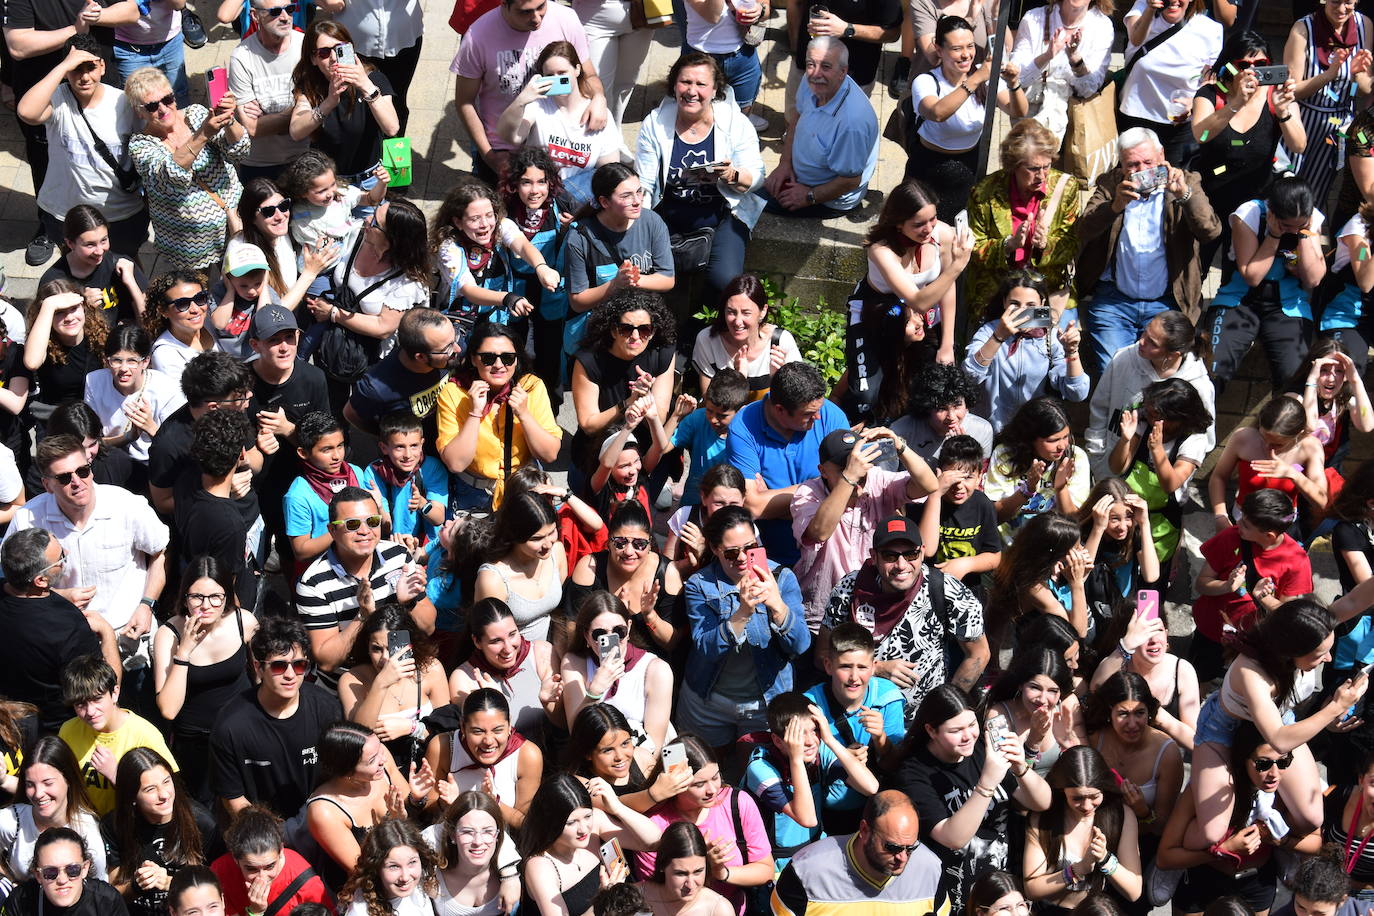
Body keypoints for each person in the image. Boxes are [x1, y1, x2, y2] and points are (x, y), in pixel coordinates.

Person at [1189, 599, 1365, 847]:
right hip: (1226, 731)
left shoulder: (1314, 625)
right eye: (1319, 654)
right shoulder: (1250, 672)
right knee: (1211, 834)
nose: (1327, 659)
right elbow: (1279, 739)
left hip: (1280, 723)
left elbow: (1364, 594)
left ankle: (1262, 820)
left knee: (1309, 819)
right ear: (1291, 650)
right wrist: (1336, 707)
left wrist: (1329, 721)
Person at [3, 434, 169, 663]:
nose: (77, 482)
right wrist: (59, 596)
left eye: (82, 471)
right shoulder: (28, 520)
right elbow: (11, 584)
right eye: (64, 478)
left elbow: (159, 553)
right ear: (47, 485)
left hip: (127, 637)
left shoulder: (127, 506)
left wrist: (147, 604)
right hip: (64, 643)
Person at [1075, 128, 1222, 373]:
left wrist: (1184, 196)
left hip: (1167, 301)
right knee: (1114, 372)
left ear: (1162, 155)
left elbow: (1210, 231)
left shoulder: (1186, 181)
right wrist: (1114, 206)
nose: (1141, 170)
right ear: (1121, 164)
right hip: (1115, 302)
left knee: (1164, 377)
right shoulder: (1112, 184)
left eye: (1148, 162)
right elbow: (1083, 229)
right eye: (1132, 164)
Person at [817, 511, 987, 721]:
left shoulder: (946, 590)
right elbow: (823, 656)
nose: (901, 565)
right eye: (890, 555)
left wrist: (945, 707)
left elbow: (979, 654)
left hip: (921, 726)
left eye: (910, 554)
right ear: (874, 555)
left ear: (922, 552)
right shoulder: (848, 590)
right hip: (857, 721)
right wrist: (875, 669)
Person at [895, 685, 1051, 911]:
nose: (968, 735)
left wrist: (1021, 768)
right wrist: (986, 784)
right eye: (955, 730)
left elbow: (1042, 802)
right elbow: (951, 837)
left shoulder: (981, 750)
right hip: (949, 894)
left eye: (971, 724)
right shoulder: (913, 773)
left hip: (999, 892)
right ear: (931, 730)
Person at [636, 52, 766, 307]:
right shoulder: (655, 124)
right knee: (648, 276)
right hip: (669, 215)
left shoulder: (735, 123)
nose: (691, 91)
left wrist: (733, 175)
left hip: (722, 215)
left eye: (701, 84)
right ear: (674, 85)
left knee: (725, 282)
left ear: (715, 88)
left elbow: (758, 176)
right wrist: (640, 227)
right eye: (685, 82)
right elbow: (646, 183)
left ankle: (704, 335)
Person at [680, 505, 810, 753]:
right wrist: (742, 613)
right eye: (731, 553)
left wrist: (778, 607)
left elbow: (801, 646)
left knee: (757, 772)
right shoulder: (700, 584)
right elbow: (705, 648)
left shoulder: (781, 578)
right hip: (708, 700)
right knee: (702, 767)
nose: (742, 557)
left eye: (750, 548)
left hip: (764, 702)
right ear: (716, 549)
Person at [1156, 723, 1320, 916]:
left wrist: (1281, 840)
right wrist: (1225, 850)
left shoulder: (1284, 793)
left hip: (1256, 883)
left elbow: (1317, 843)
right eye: (1263, 764)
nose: (1274, 774)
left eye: (1283, 762)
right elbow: (1165, 857)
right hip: (1203, 880)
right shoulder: (1207, 791)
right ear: (1243, 759)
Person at [791, 427, 940, 629]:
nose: (859, 472)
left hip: (872, 612)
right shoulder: (808, 492)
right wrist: (849, 478)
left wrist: (900, 446)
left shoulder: (878, 479)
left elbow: (929, 485)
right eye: (844, 466)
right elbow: (819, 532)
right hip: (822, 614)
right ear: (823, 471)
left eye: (860, 463)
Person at [842, 181, 965, 422]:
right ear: (898, 222)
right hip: (878, 312)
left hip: (920, 315)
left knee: (929, 389)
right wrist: (958, 265)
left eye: (933, 218)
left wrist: (947, 344)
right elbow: (918, 300)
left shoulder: (943, 234)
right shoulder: (881, 249)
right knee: (866, 396)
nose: (929, 228)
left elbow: (947, 287)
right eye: (918, 224)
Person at [450, 0, 609, 186]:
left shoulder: (566, 19)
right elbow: (464, 102)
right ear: (504, 4)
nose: (536, 18)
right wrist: (489, 156)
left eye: (541, 7)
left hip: (559, 147)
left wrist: (599, 97)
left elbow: (587, 75)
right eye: (524, 12)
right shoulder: (477, 37)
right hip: (506, 151)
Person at [17, 38, 148, 261]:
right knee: (77, 271)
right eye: (76, 69)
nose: (85, 77)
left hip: (119, 211)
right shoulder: (57, 98)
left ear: (103, 67)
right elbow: (27, 112)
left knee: (127, 268)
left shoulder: (123, 102)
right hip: (66, 211)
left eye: (91, 68)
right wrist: (61, 67)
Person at [208, 616, 344, 818]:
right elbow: (233, 799)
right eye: (279, 666)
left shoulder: (326, 707)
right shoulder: (231, 725)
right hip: (262, 831)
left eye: (299, 665)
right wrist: (268, 837)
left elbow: (341, 775)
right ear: (257, 667)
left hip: (321, 820)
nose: (290, 675)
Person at [1192, 31, 1306, 273]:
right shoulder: (1212, 95)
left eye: (1261, 64)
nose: (1252, 70)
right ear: (1230, 67)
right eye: (1244, 64)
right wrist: (1234, 104)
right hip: (1210, 201)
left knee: (1237, 271)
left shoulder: (1276, 96)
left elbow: (1299, 146)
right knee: (1196, 269)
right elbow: (1200, 136)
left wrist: (1284, 112)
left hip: (1252, 205)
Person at [295, 487, 433, 684]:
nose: (364, 531)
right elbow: (327, 661)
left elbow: (428, 627)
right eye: (352, 524)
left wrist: (407, 603)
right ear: (332, 530)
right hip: (348, 684)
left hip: (401, 676)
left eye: (373, 521)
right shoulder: (313, 583)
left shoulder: (398, 557)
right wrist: (363, 616)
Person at [305, 197, 433, 407]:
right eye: (373, 212)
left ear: (391, 239)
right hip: (334, 341)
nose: (367, 219)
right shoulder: (357, 234)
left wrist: (333, 313)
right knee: (332, 402)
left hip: (374, 358)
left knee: (367, 407)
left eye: (375, 222)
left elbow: (383, 327)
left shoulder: (408, 281)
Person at [151, 557, 258, 806]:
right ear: (185, 597)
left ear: (227, 596)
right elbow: (168, 709)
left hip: (240, 733)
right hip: (196, 744)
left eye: (215, 597)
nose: (206, 605)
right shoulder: (168, 635)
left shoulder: (245, 622)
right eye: (196, 597)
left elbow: (260, 679)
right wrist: (184, 653)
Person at [1208, 176, 1326, 398]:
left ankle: (1277, 431)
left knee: (1294, 382)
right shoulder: (1250, 214)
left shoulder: (1311, 221)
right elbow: (1252, 276)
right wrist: (1273, 235)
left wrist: (1304, 235)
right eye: (1287, 225)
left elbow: (1313, 279)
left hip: (1287, 305)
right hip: (1240, 300)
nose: (1292, 231)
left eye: (1299, 225)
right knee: (1212, 374)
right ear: (1272, 212)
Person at [629, 736, 776, 914]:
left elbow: (765, 869)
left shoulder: (738, 803)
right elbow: (655, 891)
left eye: (715, 777)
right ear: (676, 783)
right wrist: (702, 868)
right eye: (699, 784)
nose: (712, 790)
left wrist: (722, 872)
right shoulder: (652, 825)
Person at [726, 361, 849, 567]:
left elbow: (848, 490)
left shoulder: (830, 415)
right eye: (809, 414)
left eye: (819, 408)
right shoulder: (743, 427)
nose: (818, 417)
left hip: (829, 556)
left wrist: (773, 499)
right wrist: (823, 489)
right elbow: (753, 506)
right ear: (780, 409)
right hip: (775, 558)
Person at [127, 67, 249, 272]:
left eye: (167, 99)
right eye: (152, 106)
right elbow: (170, 177)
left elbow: (239, 151)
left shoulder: (196, 114)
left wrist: (230, 120)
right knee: (198, 294)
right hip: (188, 244)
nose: (163, 109)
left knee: (241, 282)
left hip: (234, 223)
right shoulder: (140, 145)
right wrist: (203, 134)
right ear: (139, 111)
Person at [902, 18, 1024, 222]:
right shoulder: (926, 81)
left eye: (970, 46)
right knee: (917, 228)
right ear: (939, 50)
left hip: (968, 167)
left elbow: (1017, 110)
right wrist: (975, 80)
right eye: (957, 48)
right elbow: (938, 113)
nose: (966, 54)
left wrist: (1013, 84)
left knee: (956, 233)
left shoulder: (984, 77)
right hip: (928, 167)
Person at [741, 691, 880, 868]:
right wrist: (796, 759)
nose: (810, 741)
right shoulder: (761, 768)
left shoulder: (819, 751)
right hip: (777, 861)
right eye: (799, 734)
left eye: (814, 730)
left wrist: (829, 739)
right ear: (777, 740)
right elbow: (807, 819)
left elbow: (871, 787)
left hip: (815, 849)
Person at [437, 322, 563, 513]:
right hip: (475, 494)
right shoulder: (454, 392)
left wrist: (524, 414)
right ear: (473, 359)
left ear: (516, 359)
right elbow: (456, 463)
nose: (498, 365)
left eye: (507, 358)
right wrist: (474, 413)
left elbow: (549, 454)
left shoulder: (530, 386)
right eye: (488, 358)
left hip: (525, 489)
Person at [0, 530, 115, 734]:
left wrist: (57, 596)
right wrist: (107, 634)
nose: (67, 552)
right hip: (57, 734)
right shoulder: (68, 627)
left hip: (8, 725)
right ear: (40, 581)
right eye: (61, 556)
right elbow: (103, 688)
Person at [966, 120, 1081, 323]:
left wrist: (1045, 245)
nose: (1042, 175)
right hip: (1000, 295)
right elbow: (973, 248)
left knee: (1051, 349)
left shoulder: (1066, 187)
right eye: (1033, 168)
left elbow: (1072, 244)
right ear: (1013, 165)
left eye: (1047, 166)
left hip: (1047, 294)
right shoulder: (985, 193)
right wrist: (1007, 245)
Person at [771, 790, 947, 915]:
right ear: (864, 830)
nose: (903, 857)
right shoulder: (806, 871)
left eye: (911, 848)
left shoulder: (930, 868)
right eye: (892, 847)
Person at [1086, 312, 1216, 480]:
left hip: (1160, 485)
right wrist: (1097, 454)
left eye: (1152, 342)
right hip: (1112, 470)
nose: (1141, 341)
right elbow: (1100, 406)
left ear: (1173, 354)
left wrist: (1175, 475)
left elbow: (1204, 436)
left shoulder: (1199, 385)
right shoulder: (1124, 358)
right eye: (1145, 332)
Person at [495, 42, 624, 207]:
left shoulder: (598, 113)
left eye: (562, 73)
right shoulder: (538, 105)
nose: (557, 79)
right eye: (550, 74)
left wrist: (585, 211)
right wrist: (521, 100)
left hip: (579, 201)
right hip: (538, 197)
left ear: (577, 70)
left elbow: (609, 172)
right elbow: (510, 137)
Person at [519, 773, 663, 915]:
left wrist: (617, 807)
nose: (583, 829)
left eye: (587, 816)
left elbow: (654, 842)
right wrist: (604, 900)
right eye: (571, 823)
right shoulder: (540, 867)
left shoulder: (595, 825)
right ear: (549, 823)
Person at [764, 38, 878, 217]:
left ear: (843, 72)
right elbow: (797, 118)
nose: (815, 73)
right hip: (800, 175)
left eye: (826, 66)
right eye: (811, 64)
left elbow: (850, 180)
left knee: (751, 198)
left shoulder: (851, 123)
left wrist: (808, 196)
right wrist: (785, 163)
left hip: (828, 197)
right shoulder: (812, 82)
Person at [570, 289, 677, 477]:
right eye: (626, 329)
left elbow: (658, 420)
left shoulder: (662, 354)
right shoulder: (589, 360)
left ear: (652, 332)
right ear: (613, 330)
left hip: (641, 454)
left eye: (644, 329)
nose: (636, 337)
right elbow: (588, 425)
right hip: (598, 450)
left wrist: (646, 398)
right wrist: (628, 403)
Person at [430, 180, 561, 334]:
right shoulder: (449, 248)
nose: (484, 224)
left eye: (489, 215)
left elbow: (523, 245)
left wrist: (542, 267)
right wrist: (507, 298)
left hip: (494, 316)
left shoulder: (501, 226)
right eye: (474, 219)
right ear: (458, 222)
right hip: (460, 320)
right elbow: (469, 290)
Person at [305, 722, 422, 892]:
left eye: (380, 749)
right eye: (372, 760)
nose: (383, 760)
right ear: (347, 772)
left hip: (408, 873)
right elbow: (362, 870)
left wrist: (416, 799)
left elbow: (412, 820)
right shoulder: (324, 811)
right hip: (370, 890)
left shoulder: (383, 762)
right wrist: (394, 825)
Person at [57, 653, 178, 817]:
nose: (90, 712)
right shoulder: (68, 730)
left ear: (115, 693)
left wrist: (117, 775)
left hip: (130, 825)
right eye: (81, 704)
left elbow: (169, 794)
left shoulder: (145, 735)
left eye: (97, 699)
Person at [964, 271, 1088, 428]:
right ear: (1004, 303)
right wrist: (998, 337)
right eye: (1014, 304)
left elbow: (1077, 393)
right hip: (993, 430)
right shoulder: (989, 331)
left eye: (1031, 306)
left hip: (1034, 432)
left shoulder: (1052, 337)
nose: (1022, 311)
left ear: (1042, 304)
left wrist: (1072, 352)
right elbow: (969, 377)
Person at [1023, 747, 1143, 909]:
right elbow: (1031, 889)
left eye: (1094, 796)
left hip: (1095, 910)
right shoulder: (1043, 818)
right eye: (1077, 798)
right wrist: (1076, 870)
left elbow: (1134, 891)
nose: (1087, 806)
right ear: (1061, 789)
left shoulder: (1121, 816)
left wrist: (1105, 858)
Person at [337, 606, 450, 777]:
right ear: (367, 647)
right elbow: (359, 738)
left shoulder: (431, 669)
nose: (385, 658)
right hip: (382, 775)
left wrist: (412, 728)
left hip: (429, 768)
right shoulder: (352, 680)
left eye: (392, 648)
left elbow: (447, 734)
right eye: (377, 649)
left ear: (409, 645)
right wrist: (380, 685)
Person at [560, 590, 676, 755]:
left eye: (619, 631)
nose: (611, 639)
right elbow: (576, 735)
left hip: (642, 758)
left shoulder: (656, 669)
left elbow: (654, 748)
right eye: (599, 634)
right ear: (586, 636)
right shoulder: (574, 663)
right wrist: (594, 692)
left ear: (628, 629)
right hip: (595, 758)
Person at [104, 749, 217, 916]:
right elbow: (114, 894)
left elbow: (213, 890)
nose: (164, 794)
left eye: (166, 781)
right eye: (150, 789)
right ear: (132, 796)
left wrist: (171, 883)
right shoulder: (115, 824)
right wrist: (137, 885)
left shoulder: (202, 822)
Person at [567, 502, 685, 661]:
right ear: (609, 541)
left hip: (652, 667)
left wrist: (650, 615)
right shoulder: (590, 569)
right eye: (620, 542)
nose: (629, 551)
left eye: (639, 544)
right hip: (600, 662)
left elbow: (671, 643)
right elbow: (573, 631)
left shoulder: (667, 573)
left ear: (650, 544)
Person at [1283, 0, 1374, 204]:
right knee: (1285, 191)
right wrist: (1329, 75)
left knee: (1316, 196)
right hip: (1303, 121)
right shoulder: (1303, 28)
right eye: (1335, 1)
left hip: (1338, 125)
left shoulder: (1364, 25)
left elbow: (1364, 90)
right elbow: (1292, 91)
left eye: (1348, 2)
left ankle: (1307, 235)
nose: (1342, 9)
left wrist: (1356, 76)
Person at [287, 21, 399, 183]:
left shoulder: (373, 79)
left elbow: (392, 128)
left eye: (340, 49)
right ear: (313, 59)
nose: (333, 58)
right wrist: (329, 102)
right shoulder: (310, 87)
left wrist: (365, 86)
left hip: (369, 179)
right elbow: (296, 132)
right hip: (330, 185)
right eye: (324, 53)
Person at [1118, 0, 1223, 167]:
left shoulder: (1210, 29)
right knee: (1135, 180)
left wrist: (1194, 103)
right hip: (1137, 118)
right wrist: (1150, 10)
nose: (1173, 1)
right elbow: (1136, 39)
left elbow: (1211, 79)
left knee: (1174, 185)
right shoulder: (1142, 9)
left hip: (1180, 127)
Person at [1084, 671, 1183, 841]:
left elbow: (1162, 827)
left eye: (1139, 713)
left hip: (1142, 844)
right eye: (1123, 714)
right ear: (1109, 712)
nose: (1132, 724)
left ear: (1149, 711)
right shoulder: (1094, 738)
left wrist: (1142, 811)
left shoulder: (1167, 754)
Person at [448, 598, 562, 741]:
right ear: (477, 641)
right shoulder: (464, 679)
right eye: (496, 641)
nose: (508, 648)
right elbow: (485, 743)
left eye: (512, 634)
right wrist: (495, 702)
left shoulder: (542, 653)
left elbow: (564, 726)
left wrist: (548, 704)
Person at [1090, 607, 1201, 751]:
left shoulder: (1182, 670)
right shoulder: (1115, 666)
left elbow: (1196, 742)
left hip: (1165, 762)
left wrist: (1159, 716)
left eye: (1158, 631)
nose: (1154, 640)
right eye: (1144, 633)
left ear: (1167, 634)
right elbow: (1095, 688)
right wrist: (1126, 646)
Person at [1208, 396, 1327, 527]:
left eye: (1278, 444)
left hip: (1283, 527)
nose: (1267, 446)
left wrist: (1293, 474)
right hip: (1241, 521)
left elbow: (1322, 502)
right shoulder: (1243, 437)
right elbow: (1218, 477)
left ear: (1298, 434)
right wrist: (1220, 516)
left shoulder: (1310, 447)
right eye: (1263, 437)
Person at [0, 737, 109, 880]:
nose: (38, 794)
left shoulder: (88, 832)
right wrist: (10, 884)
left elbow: (100, 891)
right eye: (30, 784)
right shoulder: (12, 821)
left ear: (68, 779)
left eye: (48, 783)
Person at [984, 397, 1092, 540]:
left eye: (1066, 437)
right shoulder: (1005, 455)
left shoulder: (1075, 457)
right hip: (1009, 545)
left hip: (1052, 547)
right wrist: (1027, 490)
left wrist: (1061, 488)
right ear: (1030, 438)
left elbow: (1074, 522)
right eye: (1052, 440)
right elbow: (994, 517)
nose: (1062, 446)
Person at [1009, 0, 1113, 147]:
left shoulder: (1102, 26)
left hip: (1077, 124)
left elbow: (1089, 89)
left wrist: (1075, 59)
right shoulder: (1033, 18)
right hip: (1029, 123)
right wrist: (1047, 56)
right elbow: (1018, 78)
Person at [84, 324, 185, 473]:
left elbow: (179, 447)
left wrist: (150, 428)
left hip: (154, 465)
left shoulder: (166, 389)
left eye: (132, 361)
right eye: (117, 360)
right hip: (110, 461)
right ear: (107, 361)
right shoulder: (94, 381)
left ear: (145, 362)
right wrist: (128, 437)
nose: (124, 369)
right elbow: (90, 443)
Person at [344, 308, 455, 442]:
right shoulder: (376, 388)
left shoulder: (447, 352)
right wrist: (390, 438)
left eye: (455, 340)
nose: (458, 349)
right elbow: (351, 414)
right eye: (448, 349)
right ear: (420, 357)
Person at [470, 492, 566, 645]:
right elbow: (488, 639)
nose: (548, 544)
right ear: (514, 535)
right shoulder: (493, 579)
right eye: (536, 538)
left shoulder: (557, 552)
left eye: (552, 532)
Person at [226, 0, 308, 179]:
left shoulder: (306, 46)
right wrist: (300, 112)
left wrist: (268, 120)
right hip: (260, 165)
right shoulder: (241, 57)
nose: (285, 17)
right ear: (255, 15)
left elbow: (322, 106)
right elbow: (252, 127)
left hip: (305, 158)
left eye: (290, 9)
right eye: (275, 12)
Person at [209, 806, 333, 916]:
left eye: (270, 866)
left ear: (281, 851)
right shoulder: (220, 873)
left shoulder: (308, 885)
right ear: (235, 860)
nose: (261, 878)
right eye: (251, 868)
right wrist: (255, 912)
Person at [984, 649, 1087, 780]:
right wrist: (1032, 743)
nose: (1043, 699)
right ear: (1021, 685)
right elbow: (1007, 780)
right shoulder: (999, 716)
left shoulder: (1067, 706)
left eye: (1053, 691)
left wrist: (1068, 746)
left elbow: (1085, 769)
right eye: (1035, 688)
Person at [40, 206, 148, 328]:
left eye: (103, 240)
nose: (99, 251)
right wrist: (83, 307)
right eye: (90, 245)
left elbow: (148, 323)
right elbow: (53, 333)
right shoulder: (54, 281)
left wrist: (131, 282)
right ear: (70, 243)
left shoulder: (122, 266)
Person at [23, 281, 109, 429]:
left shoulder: (100, 335)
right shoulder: (43, 342)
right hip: (58, 424)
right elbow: (32, 362)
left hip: (97, 420)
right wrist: (49, 305)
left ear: (83, 307)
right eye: (59, 312)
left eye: (73, 309)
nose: (69, 318)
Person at [427, 791, 521, 916]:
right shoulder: (432, 874)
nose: (478, 841)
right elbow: (428, 837)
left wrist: (510, 876)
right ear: (452, 835)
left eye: (487, 831)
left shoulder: (516, 871)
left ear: (497, 835)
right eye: (467, 832)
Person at [0, 828, 123, 916]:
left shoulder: (107, 900)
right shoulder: (20, 900)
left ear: (84, 869)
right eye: (50, 872)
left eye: (72, 870)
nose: (62, 880)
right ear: (38, 875)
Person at [891, 363, 994, 464]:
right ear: (926, 407)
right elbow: (884, 478)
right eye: (941, 409)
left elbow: (979, 476)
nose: (952, 417)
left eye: (957, 405)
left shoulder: (982, 430)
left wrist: (965, 455)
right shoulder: (899, 432)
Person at [339, 818, 438, 916]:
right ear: (375, 868)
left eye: (412, 862)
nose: (405, 877)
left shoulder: (421, 882)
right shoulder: (360, 912)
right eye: (394, 866)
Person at [145, 272, 226, 387]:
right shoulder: (165, 355)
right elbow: (183, 402)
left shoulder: (211, 323)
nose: (195, 309)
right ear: (163, 311)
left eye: (200, 298)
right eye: (182, 304)